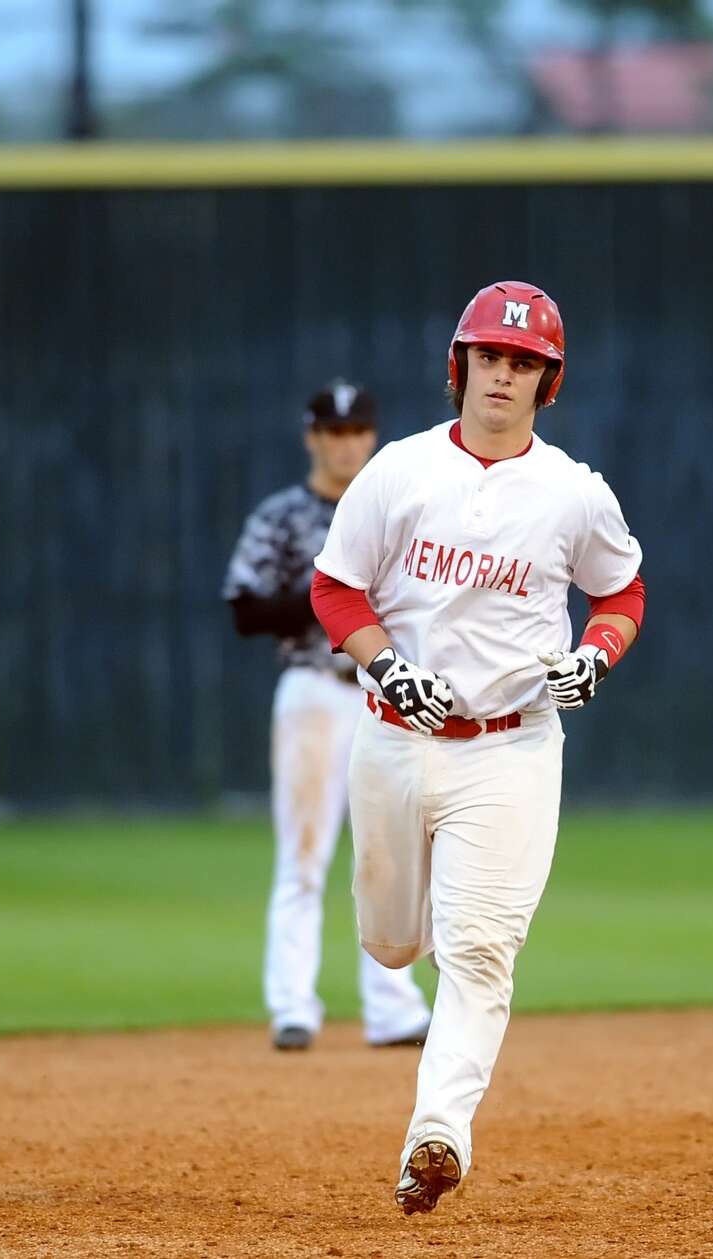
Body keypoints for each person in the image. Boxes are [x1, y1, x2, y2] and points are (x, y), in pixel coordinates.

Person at [309, 281, 646, 1214]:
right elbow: (336, 590)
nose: (505, 375)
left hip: (511, 748)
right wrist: (383, 668)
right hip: (394, 739)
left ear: (549, 381)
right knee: (390, 942)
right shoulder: (401, 472)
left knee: (480, 948)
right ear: (460, 367)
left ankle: (437, 1133)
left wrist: (596, 654)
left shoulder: (574, 492)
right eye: (491, 357)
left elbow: (622, 593)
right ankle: (403, 939)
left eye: (525, 362)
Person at [222, 381, 432, 1053]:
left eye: (357, 431)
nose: (347, 443)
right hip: (315, 685)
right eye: (334, 432)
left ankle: (394, 1007)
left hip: (386, 692)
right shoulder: (284, 514)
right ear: (312, 436)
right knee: (304, 855)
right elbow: (245, 608)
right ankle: (292, 1006)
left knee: (392, 852)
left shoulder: (395, 510)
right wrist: (328, 596)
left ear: (371, 436)